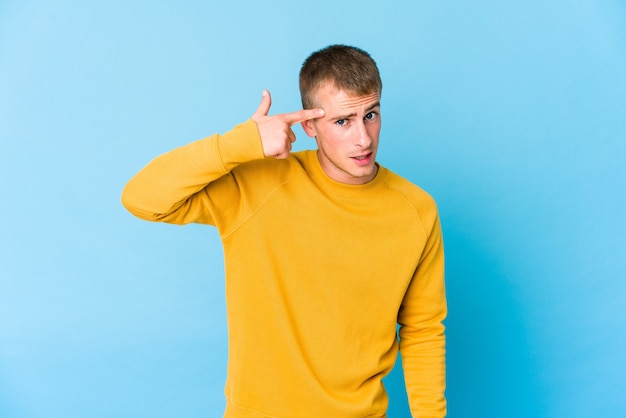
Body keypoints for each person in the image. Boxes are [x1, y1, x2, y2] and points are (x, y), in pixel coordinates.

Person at [122, 44, 446, 418]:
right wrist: (239, 143)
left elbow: (422, 329)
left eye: (370, 115)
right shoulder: (258, 185)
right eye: (343, 121)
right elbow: (142, 197)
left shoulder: (416, 210)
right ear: (309, 126)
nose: (364, 138)